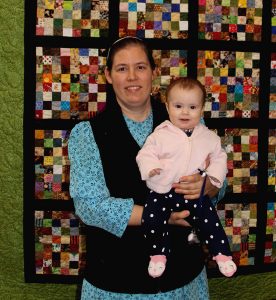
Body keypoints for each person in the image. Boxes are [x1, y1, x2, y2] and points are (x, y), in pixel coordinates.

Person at [68, 36, 226, 300]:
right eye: (122, 68)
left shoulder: (189, 122)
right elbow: (89, 206)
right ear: (108, 75)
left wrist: (209, 185)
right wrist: (160, 215)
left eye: (140, 67)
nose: (132, 76)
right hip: (116, 281)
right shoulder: (87, 134)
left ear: (154, 72)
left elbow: (219, 182)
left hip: (183, 278)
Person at [136, 77, 237, 279]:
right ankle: (158, 253)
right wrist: (151, 167)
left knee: (210, 221)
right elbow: (145, 154)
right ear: (167, 106)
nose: (185, 112)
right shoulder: (161, 134)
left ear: (201, 109)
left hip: (194, 193)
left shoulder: (208, 136)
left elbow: (219, 158)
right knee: (151, 218)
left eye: (192, 107)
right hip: (163, 190)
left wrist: (213, 179)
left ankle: (222, 254)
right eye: (178, 106)